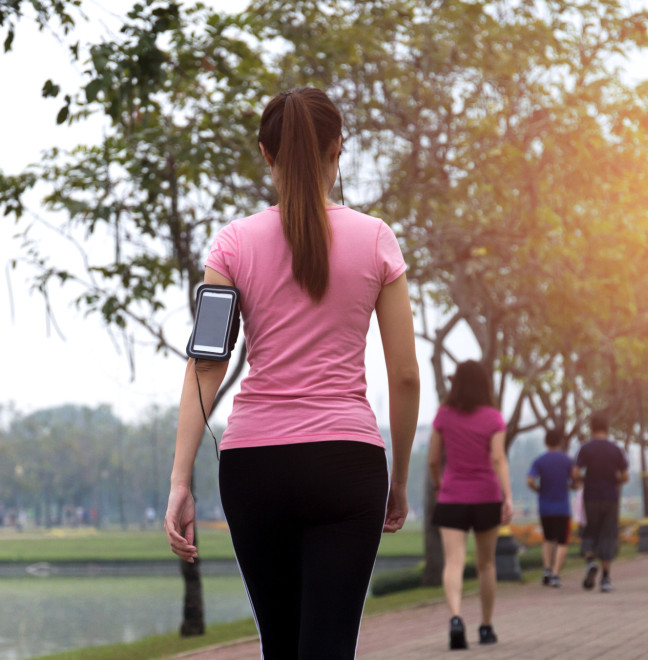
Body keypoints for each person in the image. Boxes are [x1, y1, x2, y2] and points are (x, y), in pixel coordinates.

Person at [164, 87, 420, 658]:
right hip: (347, 464)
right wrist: (398, 477)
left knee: (279, 647)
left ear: (265, 153)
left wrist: (182, 480)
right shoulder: (376, 239)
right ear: (338, 150)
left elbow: (207, 363)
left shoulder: (232, 245)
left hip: (255, 467)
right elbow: (404, 375)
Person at [428, 360, 514, 649]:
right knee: (486, 564)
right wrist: (508, 496)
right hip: (487, 496)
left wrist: (439, 483)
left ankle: (455, 618)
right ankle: (487, 627)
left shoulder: (443, 416)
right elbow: (499, 459)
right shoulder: (494, 417)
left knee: (454, 561)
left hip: (452, 496)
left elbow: (432, 459)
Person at [573, 414, 628, 592]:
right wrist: (614, 478)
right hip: (610, 498)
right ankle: (605, 579)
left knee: (589, 531)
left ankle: (590, 562)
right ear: (607, 429)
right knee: (608, 535)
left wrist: (586, 478)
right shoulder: (616, 449)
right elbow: (625, 476)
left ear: (592, 429)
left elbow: (575, 473)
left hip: (591, 497)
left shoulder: (585, 448)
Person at [527, 428, 578, 587]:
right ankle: (555, 575)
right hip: (562, 508)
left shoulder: (539, 460)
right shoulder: (567, 460)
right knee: (562, 541)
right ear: (561, 442)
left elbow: (530, 480)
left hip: (545, 507)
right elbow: (576, 480)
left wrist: (538, 490)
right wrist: (571, 486)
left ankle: (547, 569)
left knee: (548, 539)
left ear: (545, 442)